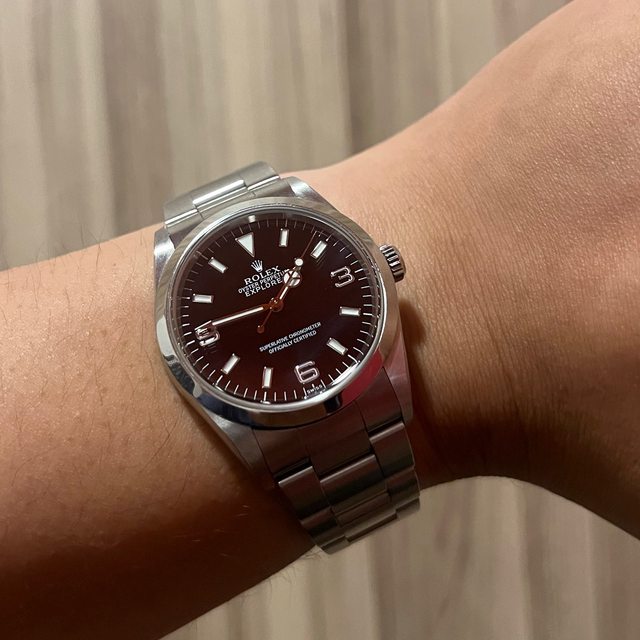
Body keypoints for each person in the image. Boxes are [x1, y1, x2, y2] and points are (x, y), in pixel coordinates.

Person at [0, 0, 638, 638]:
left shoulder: (339, 265)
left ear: (384, 266)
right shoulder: (197, 321)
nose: (275, 305)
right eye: (267, 306)